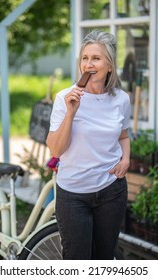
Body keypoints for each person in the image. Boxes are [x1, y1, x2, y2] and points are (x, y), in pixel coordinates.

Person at [46, 29, 131, 260]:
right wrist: (70, 114)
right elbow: (55, 150)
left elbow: (123, 136)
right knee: (77, 262)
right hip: (73, 194)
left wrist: (125, 159)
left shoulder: (121, 99)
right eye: (85, 58)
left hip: (111, 191)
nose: (88, 64)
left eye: (96, 58)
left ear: (110, 65)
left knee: (105, 258)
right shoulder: (65, 98)